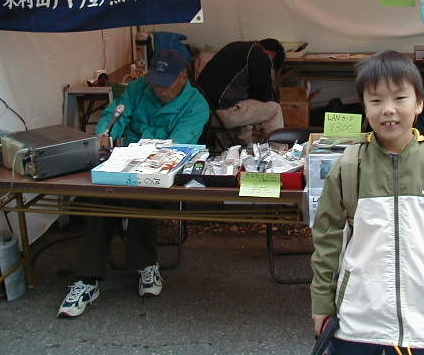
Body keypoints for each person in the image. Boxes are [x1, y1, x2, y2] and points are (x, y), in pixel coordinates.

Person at [311, 50, 424, 354]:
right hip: (357, 321)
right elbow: (327, 240)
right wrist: (322, 302)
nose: (388, 110)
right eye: (376, 100)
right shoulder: (349, 166)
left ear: (419, 103)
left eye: (400, 98)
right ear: (364, 106)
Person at [57, 49, 209, 318]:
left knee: (141, 194)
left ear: (183, 76)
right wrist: (105, 133)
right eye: (155, 82)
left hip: (163, 170)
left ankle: (146, 264)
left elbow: (178, 146)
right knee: (101, 197)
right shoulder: (139, 89)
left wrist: (140, 149)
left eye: (165, 83)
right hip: (124, 161)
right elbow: (116, 114)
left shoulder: (196, 105)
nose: (159, 88)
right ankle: (88, 279)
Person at [196, 38, 285, 145]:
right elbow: (265, 96)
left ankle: (245, 147)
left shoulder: (235, 46)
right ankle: (278, 150)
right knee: (274, 108)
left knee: (248, 107)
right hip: (220, 115)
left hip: (201, 112)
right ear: (272, 54)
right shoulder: (259, 55)